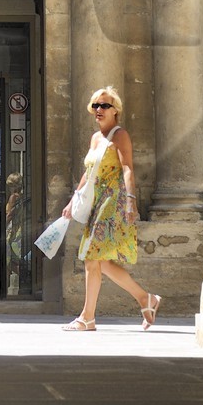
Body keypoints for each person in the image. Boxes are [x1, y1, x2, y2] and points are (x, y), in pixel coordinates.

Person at [61, 86, 160, 331]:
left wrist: (130, 200)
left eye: (104, 105)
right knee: (99, 261)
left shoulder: (120, 135)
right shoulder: (95, 138)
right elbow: (89, 173)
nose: (99, 109)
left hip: (113, 202)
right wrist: (73, 201)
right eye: (95, 105)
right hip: (97, 202)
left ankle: (87, 317)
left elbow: (127, 168)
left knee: (92, 257)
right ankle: (145, 299)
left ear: (115, 110)